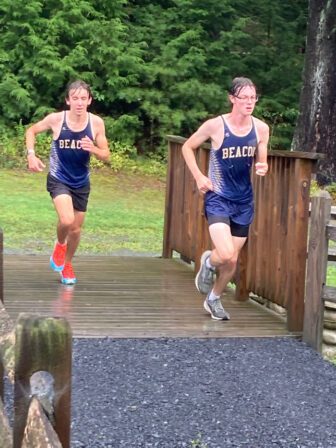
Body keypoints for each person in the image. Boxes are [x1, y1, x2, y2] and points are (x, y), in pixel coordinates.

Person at [182, 77, 269, 320]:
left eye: (253, 97)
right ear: (232, 99)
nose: (250, 102)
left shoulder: (261, 128)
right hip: (218, 197)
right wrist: (199, 176)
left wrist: (262, 165)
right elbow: (187, 147)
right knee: (228, 253)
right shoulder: (215, 126)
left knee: (231, 261)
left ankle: (214, 298)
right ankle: (209, 261)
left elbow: (262, 155)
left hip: (243, 202)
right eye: (244, 98)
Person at [26, 80, 110, 285]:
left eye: (83, 98)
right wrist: (31, 155)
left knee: (76, 229)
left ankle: (67, 264)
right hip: (59, 177)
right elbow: (31, 131)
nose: (79, 103)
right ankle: (60, 244)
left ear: (89, 101)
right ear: (68, 100)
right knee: (66, 220)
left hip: (81, 182)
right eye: (75, 98)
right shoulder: (56, 120)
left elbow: (106, 155)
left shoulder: (96, 123)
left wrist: (94, 149)